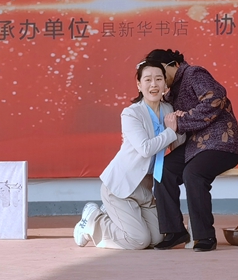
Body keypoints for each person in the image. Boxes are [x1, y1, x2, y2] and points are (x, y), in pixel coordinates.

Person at [73, 60, 185, 250]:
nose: (154, 84)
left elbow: (176, 144)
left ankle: (112, 215)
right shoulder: (131, 114)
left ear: (165, 85)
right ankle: (93, 220)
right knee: (139, 240)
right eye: (148, 79)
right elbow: (145, 149)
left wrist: (180, 125)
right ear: (139, 85)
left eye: (159, 79)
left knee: (157, 239)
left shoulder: (168, 109)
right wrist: (171, 131)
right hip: (120, 185)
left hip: (145, 186)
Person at [144, 49, 238, 252]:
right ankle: (174, 231)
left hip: (221, 142)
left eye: (160, 73)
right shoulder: (170, 93)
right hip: (196, 146)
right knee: (163, 171)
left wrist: (182, 120)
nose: (158, 78)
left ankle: (205, 236)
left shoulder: (194, 73)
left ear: (172, 65)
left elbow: (215, 99)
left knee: (193, 174)